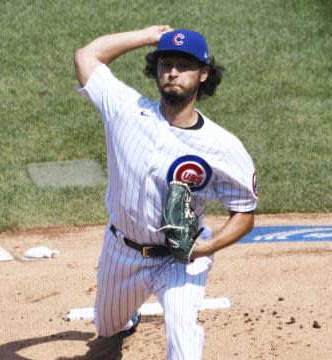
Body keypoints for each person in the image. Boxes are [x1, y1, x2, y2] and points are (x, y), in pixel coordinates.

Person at [74, 25, 258, 360]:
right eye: (165, 63)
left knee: (184, 344)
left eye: (183, 65)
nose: (172, 72)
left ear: (204, 74)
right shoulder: (125, 111)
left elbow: (244, 211)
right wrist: (148, 35)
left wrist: (206, 248)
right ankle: (127, 317)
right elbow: (88, 56)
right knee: (107, 327)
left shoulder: (222, 146)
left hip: (181, 260)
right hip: (122, 252)